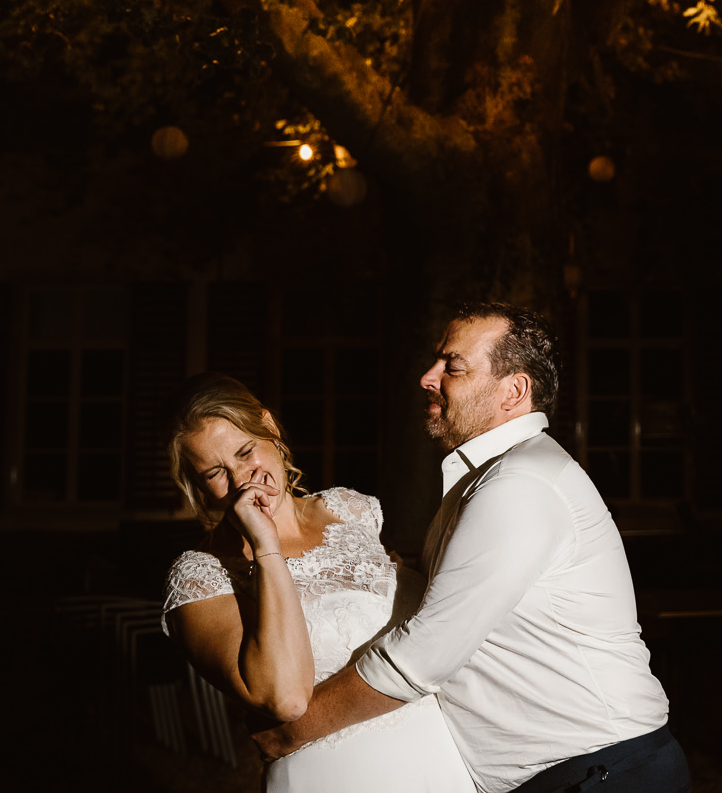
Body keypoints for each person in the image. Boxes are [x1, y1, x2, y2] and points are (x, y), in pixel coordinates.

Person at [254, 303, 690, 793]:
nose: (427, 377)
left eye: (452, 366)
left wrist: (291, 733)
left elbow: (423, 655)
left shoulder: (522, 483)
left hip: (604, 774)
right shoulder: (484, 481)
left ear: (514, 391)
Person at [160, 372, 475, 793]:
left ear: (270, 429)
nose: (242, 480)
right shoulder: (201, 576)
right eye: (216, 472)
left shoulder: (351, 510)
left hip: (440, 762)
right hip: (334, 777)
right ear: (198, 487)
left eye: (245, 451)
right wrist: (265, 545)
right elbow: (286, 698)